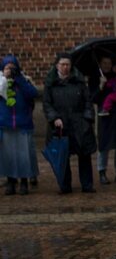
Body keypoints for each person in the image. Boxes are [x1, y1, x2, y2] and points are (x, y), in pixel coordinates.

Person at [42, 53, 97, 194]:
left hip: (79, 123)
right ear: (57, 66)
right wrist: (54, 118)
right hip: (61, 124)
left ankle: (87, 184)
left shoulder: (79, 81)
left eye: (68, 64)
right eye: (62, 64)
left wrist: (87, 119)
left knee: (84, 155)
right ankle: (65, 185)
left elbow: (87, 101)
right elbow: (47, 104)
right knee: (63, 156)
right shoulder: (51, 83)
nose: (65, 67)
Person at [0, 55, 38, 195]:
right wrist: (4, 77)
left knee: (23, 155)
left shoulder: (23, 81)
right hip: (6, 123)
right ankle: (10, 181)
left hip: (23, 124)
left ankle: (23, 181)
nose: (10, 70)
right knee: (8, 155)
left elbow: (32, 93)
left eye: (12, 68)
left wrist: (19, 79)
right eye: (7, 67)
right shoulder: (1, 82)